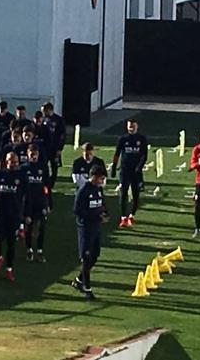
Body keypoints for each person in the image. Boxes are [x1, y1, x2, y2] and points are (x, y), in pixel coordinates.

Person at [0, 152, 27, 281]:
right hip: (0, 212)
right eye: (10, 161)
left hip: (14, 214)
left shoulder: (21, 176)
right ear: (6, 161)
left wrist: (24, 216)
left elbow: (26, 197)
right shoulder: (0, 175)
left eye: (15, 162)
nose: (13, 164)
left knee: (11, 243)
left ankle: (9, 269)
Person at [71, 164, 108, 300]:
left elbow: (101, 203)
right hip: (85, 229)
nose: (102, 181)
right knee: (86, 259)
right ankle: (87, 289)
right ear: (93, 177)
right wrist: (94, 216)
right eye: (100, 178)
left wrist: (104, 213)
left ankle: (79, 280)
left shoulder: (98, 189)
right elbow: (77, 210)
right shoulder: (83, 190)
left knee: (95, 255)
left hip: (96, 227)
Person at [111, 119, 148, 228]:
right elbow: (117, 153)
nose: (131, 128)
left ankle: (132, 215)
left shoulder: (141, 139)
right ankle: (123, 217)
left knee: (136, 194)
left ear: (137, 126)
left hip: (136, 171)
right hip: (125, 170)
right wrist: (114, 166)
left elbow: (144, 155)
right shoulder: (123, 139)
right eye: (129, 126)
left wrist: (139, 167)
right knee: (123, 193)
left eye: (133, 126)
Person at [21, 144, 50, 263]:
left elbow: (47, 186)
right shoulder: (23, 168)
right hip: (28, 203)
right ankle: (29, 250)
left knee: (41, 226)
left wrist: (49, 203)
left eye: (35, 154)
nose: (33, 156)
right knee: (29, 226)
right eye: (31, 154)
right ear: (27, 154)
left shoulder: (43, 167)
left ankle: (39, 251)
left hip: (40, 201)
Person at [42, 103, 66, 188]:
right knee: (44, 165)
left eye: (44, 111)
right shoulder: (44, 119)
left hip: (55, 148)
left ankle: (51, 183)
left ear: (49, 110)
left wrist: (60, 148)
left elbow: (62, 135)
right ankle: (45, 182)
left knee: (54, 167)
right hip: (45, 148)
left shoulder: (58, 120)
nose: (43, 112)